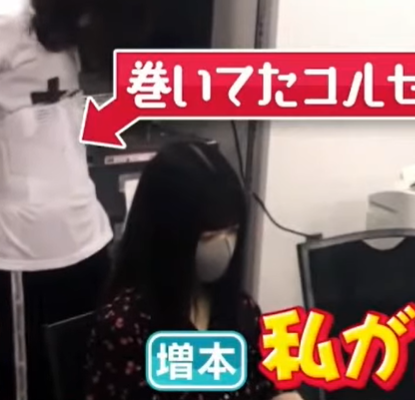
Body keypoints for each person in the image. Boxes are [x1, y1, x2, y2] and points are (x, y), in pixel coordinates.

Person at [0, 0, 151, 400]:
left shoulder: (64, 23)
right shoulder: (7, 14)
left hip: (86, 235)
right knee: (32, 383)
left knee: (86, 372)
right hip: (24, 250)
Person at [85, 141, 302, 400]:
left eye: (232, 231)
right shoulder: (126, 329)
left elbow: (270, 384)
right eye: (209, 237)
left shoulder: (239, 309)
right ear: (169, 236)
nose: (225, 247)